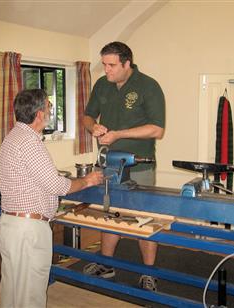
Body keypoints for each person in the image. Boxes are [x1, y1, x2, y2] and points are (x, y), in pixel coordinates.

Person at [0, 89, 103, 308]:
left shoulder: (12, 136)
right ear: (39, 115)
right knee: (30, 296)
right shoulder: (30, 142)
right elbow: (57, 185)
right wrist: (88, 181)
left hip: (10, 225)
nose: (50, 110)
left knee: (12, 292)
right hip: (28, 230)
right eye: (49, 107)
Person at [82, 41, 165, 291]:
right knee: (110, 217)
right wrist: (92, 127)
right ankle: (106, 265)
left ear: (127, 63)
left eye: (111, 65)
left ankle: (148, 273)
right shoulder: (102, 85)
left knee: (144, 220)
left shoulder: (148, 86)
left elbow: (157, 129)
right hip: (109, 165)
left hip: (139, 167)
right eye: (104, 64)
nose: (106, 70)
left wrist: (118, 134)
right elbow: (87, 116)